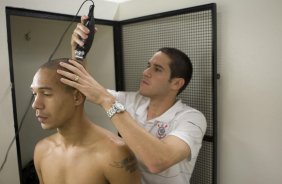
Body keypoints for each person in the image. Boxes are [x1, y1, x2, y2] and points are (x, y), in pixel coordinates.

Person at [57, 17, 207, 184]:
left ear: (176, 83)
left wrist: (107, 101)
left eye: (157, 69)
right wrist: (79, 51)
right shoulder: (132, 101)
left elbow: (157, 161)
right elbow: (85, 88)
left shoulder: (191, 119)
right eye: (148, 65)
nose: (146, 72)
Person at [31, 58, 141, 184]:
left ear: (77, 97)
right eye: (34, 94)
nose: (36, 104)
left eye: (46, 94)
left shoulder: (115, 154)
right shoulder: (42, 150)